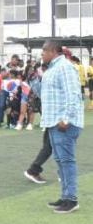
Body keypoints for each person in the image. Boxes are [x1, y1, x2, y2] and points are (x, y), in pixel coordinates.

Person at [40, 40, 84, 214]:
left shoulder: (64, 67)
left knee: (66, 161)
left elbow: (73, 94)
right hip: (53, 122)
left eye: (43, 51)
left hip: (64, 123)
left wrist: (66, 118)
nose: (41, 54)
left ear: (52, 51)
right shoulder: (52, 68)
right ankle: (66, 196)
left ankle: (71, 199)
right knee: (60, 161)